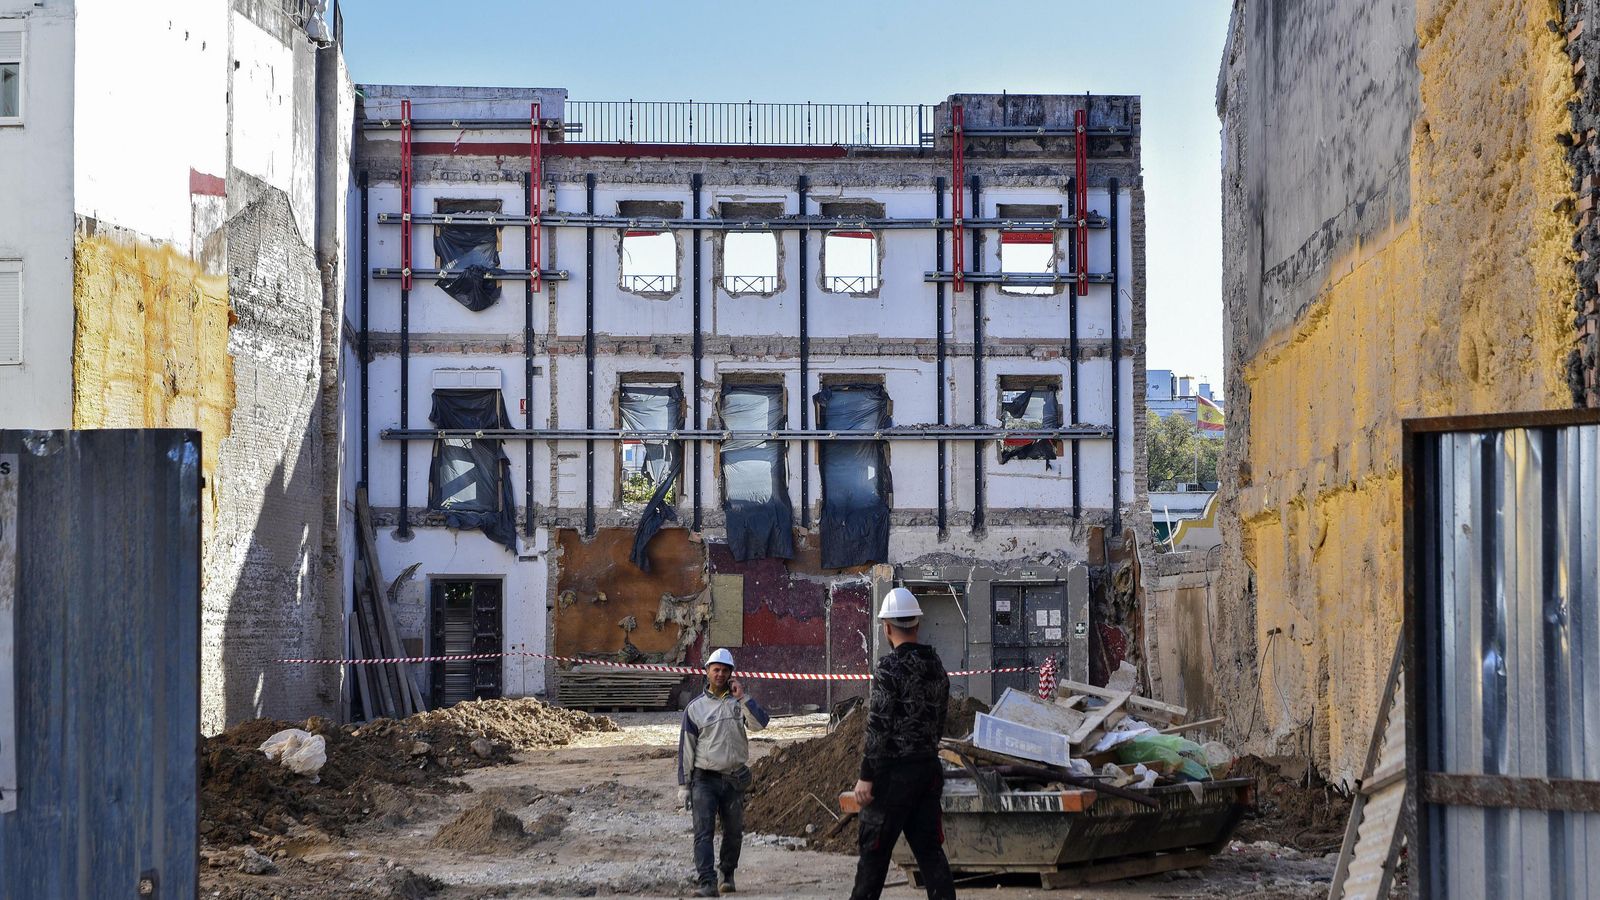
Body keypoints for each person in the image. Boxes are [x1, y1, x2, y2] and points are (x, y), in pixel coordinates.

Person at [849, 587, 956, 900]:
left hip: (892, 776)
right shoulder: (936, 667)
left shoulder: (888, 668)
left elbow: (879, 726)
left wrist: (866, 776)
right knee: (930, 853)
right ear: (917, 625)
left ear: (886, 628)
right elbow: (940, 721)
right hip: (927, 771)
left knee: (873, 856)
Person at [677, 647, 770, 896]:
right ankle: (707, 883)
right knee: (703, 832)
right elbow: (686, 747)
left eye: (725, 670)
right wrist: (684, 785)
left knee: (733, 831)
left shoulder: (738, 704)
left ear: (731, 674)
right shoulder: (695, 709)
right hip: (704, 779)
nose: (720, 674)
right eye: (716, 669)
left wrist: (743, 698)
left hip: (734, 779)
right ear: (707, 672)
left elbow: (761, 724)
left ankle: (727, 873)